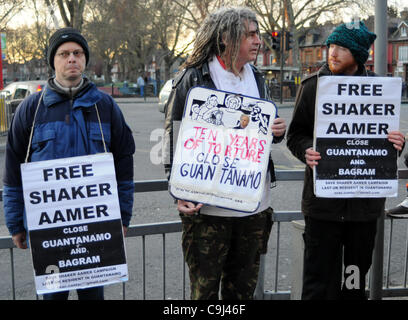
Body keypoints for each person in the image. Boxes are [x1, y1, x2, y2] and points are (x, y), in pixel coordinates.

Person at [2, 27, 135, 300]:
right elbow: (14, 169)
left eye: (77, 53)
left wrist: (123, 216)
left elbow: (123, 166)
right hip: (49, 232)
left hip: (96, 233)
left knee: (93, 297)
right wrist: (15, 223)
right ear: (53, 61)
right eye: (64, 54)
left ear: (85, 60)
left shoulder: (106, 107)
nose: (71, 59)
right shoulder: (32, 108)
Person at [164, 7, 286, 300]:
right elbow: (171, 137)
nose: (258, 41)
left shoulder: (257, 77)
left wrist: (277, 131)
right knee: (203, 292)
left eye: (258, 34)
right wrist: (178, 190)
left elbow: (263, 130)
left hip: (253, 207)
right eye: (251, 34)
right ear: (225, 37)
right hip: (208, 211)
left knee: (242, 292)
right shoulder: (192, 78)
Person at [286, 20, 405, 300]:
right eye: (331, 46)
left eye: (341, 48)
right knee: (318, 283)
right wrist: (306, 150)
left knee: (354, 282)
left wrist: (397, 144)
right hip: (322, 207)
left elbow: (383, 140)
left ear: (359, 55)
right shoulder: (314, 86)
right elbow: (295, 135)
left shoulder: (380, 89)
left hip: (363, 210)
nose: (332, 53)